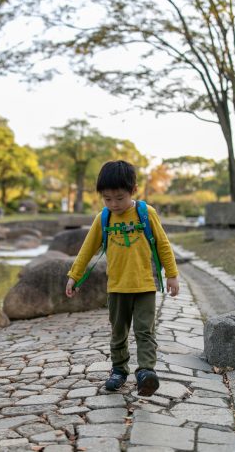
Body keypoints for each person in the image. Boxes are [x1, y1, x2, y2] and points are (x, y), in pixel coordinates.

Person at [66, 160, 179, 397]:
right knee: (118, 332)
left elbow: (163, 245)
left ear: (133, 190)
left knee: (144, 331)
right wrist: (74, 276)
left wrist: (172, 275)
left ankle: (146, 372)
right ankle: (118, 370)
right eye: (107, 199)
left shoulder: (145, 214)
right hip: (116, 287)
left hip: (145, 285)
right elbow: (87, 249)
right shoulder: (103, 219)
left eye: (119, 198)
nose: (114, 204)